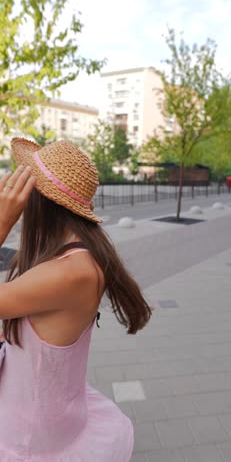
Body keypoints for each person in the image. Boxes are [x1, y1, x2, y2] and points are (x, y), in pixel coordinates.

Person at [0, 138, 152, 461]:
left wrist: (1, 223)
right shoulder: (75, 255)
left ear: (40, 200)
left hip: (29, 436)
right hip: (46, 411)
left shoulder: (69, 272)